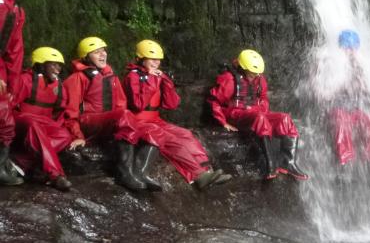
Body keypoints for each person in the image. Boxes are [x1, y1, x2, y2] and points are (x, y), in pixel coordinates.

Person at [123, 39, 230, 191]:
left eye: (158, 60)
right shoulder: (132, 77)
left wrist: (165, 82)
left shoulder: (156, 75)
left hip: (155, 119)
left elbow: (171, 104)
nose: (156, 63)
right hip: (137, 120)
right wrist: (153, 81)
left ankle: (208, 171)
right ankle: (198, 176)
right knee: (173, 141)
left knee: (186, 134)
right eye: (152, 59)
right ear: (141, 59)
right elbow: (138, 104)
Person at [208, 49, 308, 181]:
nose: (254, 76)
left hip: (256, 114)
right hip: (236, 114)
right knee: (260, 119)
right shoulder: (230, 80)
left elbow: (264, 98)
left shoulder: (259, 80)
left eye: (256, 74)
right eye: (251, 74)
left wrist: (263, 108)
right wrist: (223, 122)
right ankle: (270, 165)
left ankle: (287, 162)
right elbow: (214, 100)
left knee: (285, 119)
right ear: (242, 69)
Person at [63, 36, 147, 191]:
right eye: (97, 52)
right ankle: (124, 173)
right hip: (88, 122)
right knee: (125, 115)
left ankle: (140, 173)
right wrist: (77, 136)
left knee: (146, 128)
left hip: (108, 122)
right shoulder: (77, 78)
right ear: (86, 57)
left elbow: (121, 105)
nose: (103, 55)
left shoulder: (111, 77)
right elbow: (70, 113)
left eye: (104, 51)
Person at [330, 30, 370, 185]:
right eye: (347, 47)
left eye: (353, 48)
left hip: (358, 108)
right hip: (339, 108)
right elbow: (323, 91)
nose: (350, 51)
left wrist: (364, 85)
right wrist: (340, 85)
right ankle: (344, 168)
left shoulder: (363, 65)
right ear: (340, 48)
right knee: (342, 123)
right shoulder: (332, 64)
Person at [11, 47, 77, 191]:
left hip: (40, 127)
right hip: (20, 123)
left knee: (64, 135)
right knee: (33, 124)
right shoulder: (25, 80)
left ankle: (20, 161)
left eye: (59, 65)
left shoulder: (59, 87)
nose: (58, 69)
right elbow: (10, 106)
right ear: (41, 64)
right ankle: (55, 175)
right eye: (53, 64)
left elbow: (59, 116)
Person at [0, 0, 29, 185]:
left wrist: (13, 81)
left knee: (6, 119)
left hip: (5, 71)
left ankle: (2, 164)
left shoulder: (15, 9)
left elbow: (15, 50)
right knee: (3, 120)